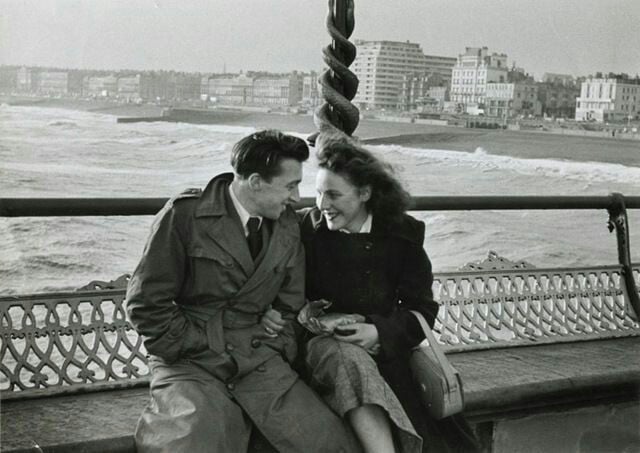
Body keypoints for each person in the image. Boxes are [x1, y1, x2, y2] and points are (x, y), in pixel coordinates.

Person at [126, 129, 360, 453]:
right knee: (190, 444)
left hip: (260, 360)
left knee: (331, 444)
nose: (296, 197)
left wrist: (276, 337)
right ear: (255, 182)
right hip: (192, 364)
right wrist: (197, 343)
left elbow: (291, 308)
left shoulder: (287, 225)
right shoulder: (186, 215)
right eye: (290, 186)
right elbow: (146, 303)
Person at [262, 132, 479, 453]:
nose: (323, 205)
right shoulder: (304, 228)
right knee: (348, 365)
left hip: (387, 356)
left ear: (364, 193)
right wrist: (276, 310)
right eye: (319, 193)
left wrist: (377, 330)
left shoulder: (402, 236)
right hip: (321, 351)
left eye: (334, 195)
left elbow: (423, 311)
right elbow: (274, 284)